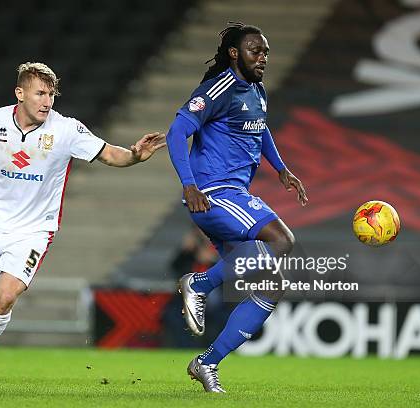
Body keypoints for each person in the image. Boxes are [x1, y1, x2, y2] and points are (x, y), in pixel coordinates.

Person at [0, 62, 165, 386]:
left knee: (5, 297)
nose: (47, 101)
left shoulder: (67, 130)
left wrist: (134, 155)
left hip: (33, 230)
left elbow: (110, 154)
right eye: (40, 93)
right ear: (20, 93)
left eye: (51, 94)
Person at [166, 23, 308, 393]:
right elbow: (176, 132)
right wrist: (189, 183)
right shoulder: (219, 88)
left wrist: (281, 169)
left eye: (265, 53)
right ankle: (199, 283)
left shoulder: (257, 90)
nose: (262, 59)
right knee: (281, 240)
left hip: (233, 194)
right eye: (254, 51)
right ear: (234, 53)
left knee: (272, 285)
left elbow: (260, 130)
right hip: (214, 193)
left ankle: (206, 363)